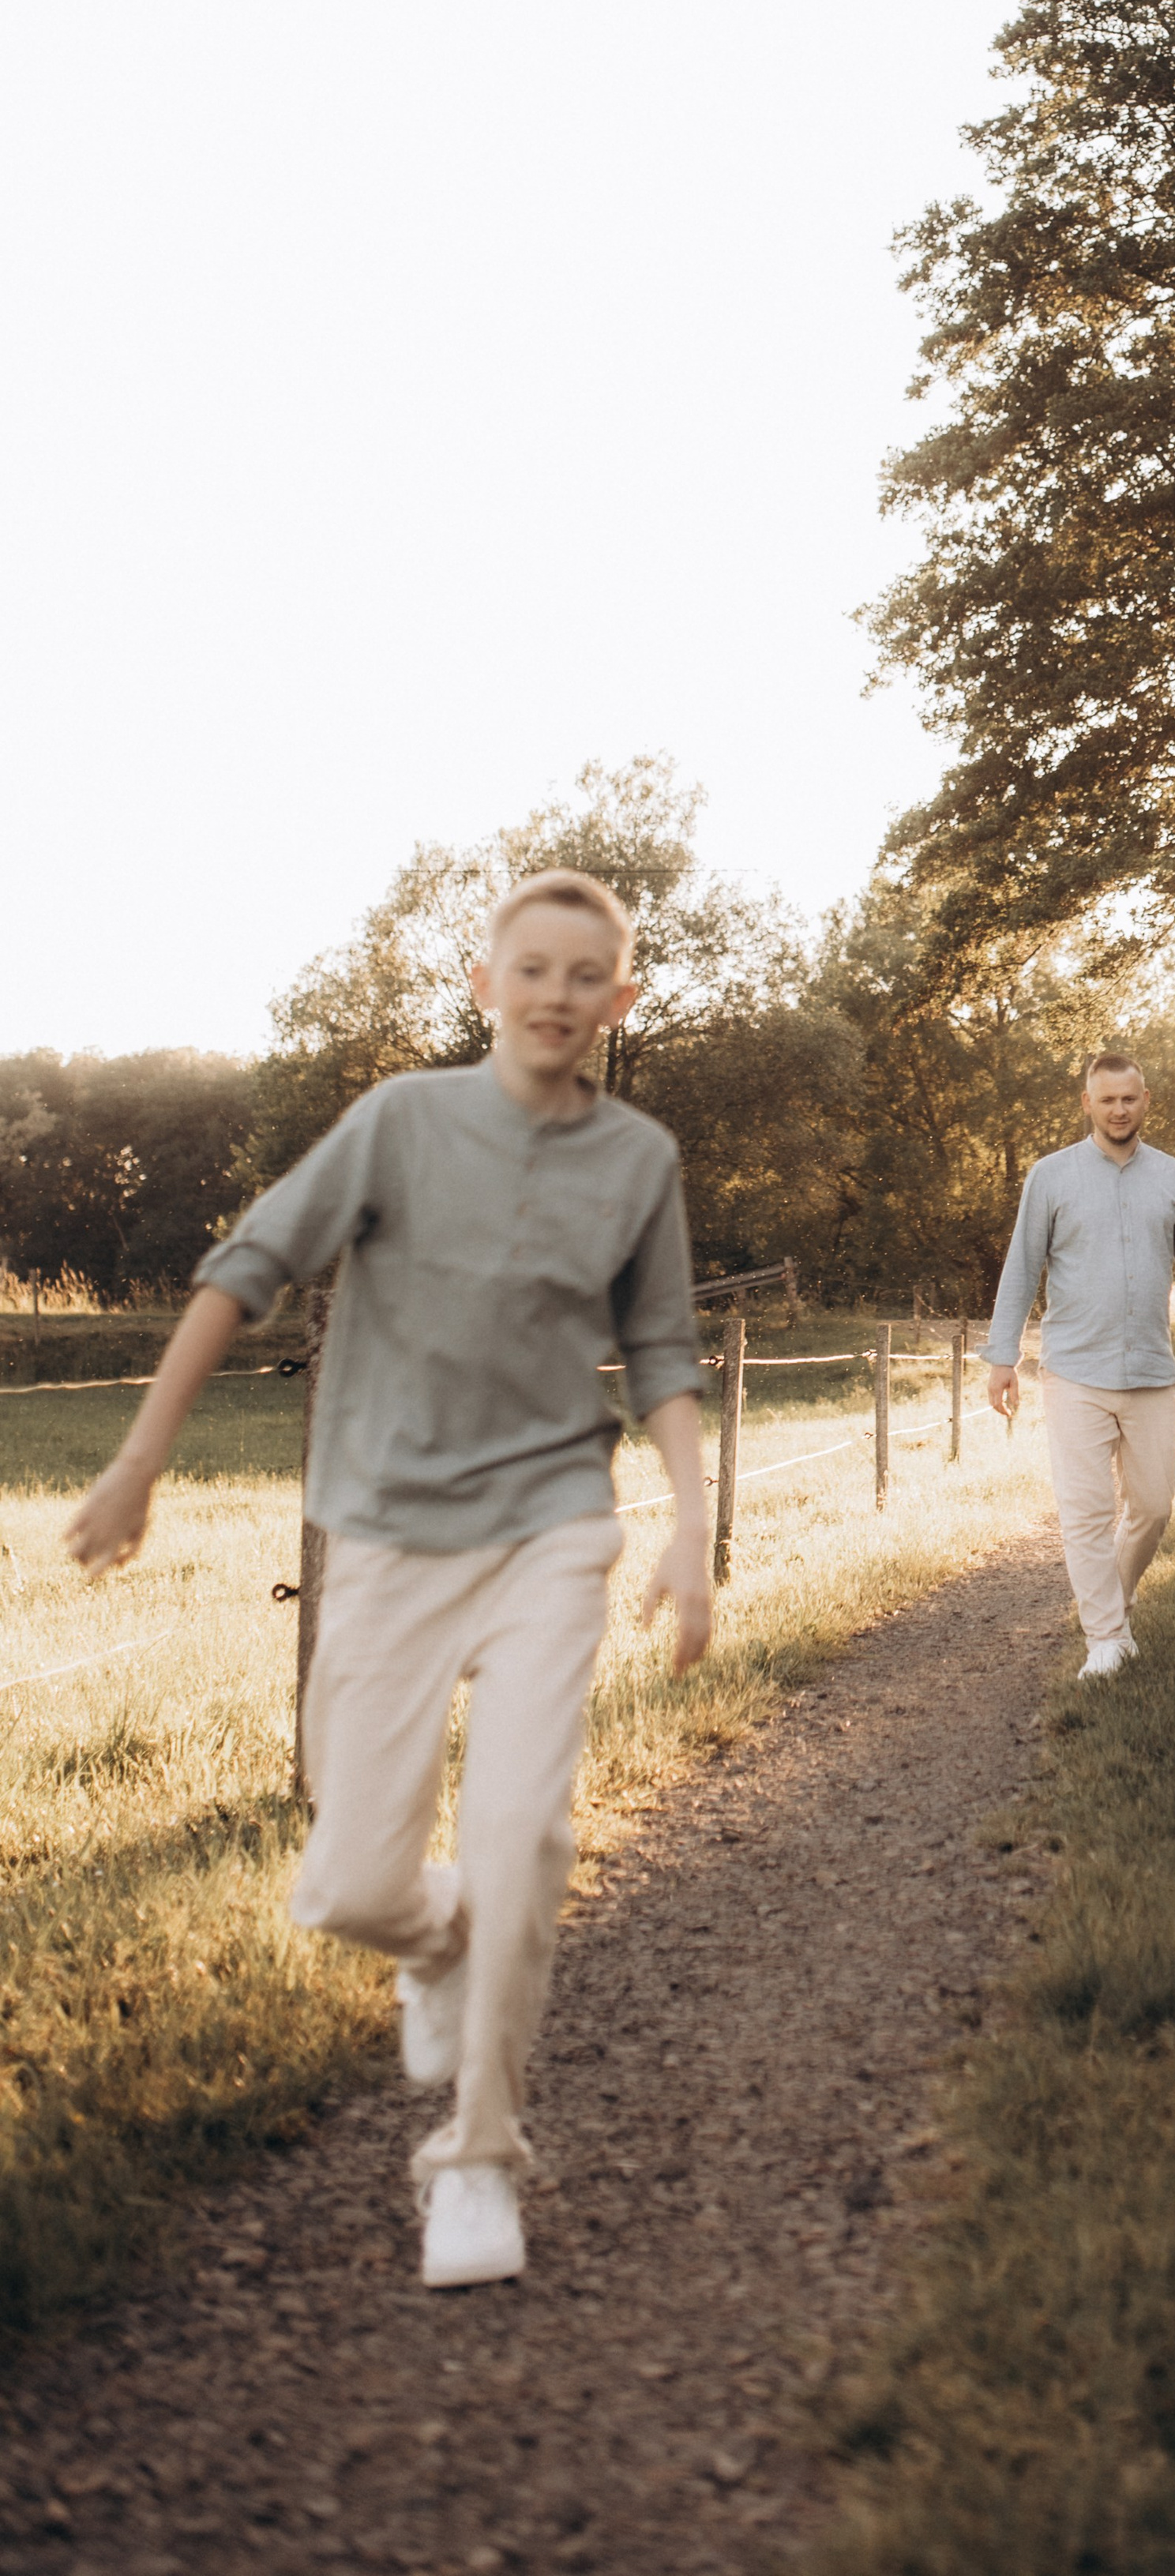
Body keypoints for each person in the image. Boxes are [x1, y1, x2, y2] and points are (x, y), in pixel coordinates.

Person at [65, 870, 712, 2292]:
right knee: (350, 1883)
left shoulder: (639, 1160)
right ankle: (430, 1942)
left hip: (550, 1522)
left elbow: (662, 1353)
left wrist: (688, 1524)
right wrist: (138, 1463)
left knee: (527, 1835)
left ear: (622, 997)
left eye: (583, 973)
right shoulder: (400, 1124)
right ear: (485, 982)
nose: (554, 994)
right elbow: (246, 1270)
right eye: (528, 968)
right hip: (385, 1531)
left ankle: (478, 2155)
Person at [985, 1051, 1175, 1679]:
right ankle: (1107, 1638)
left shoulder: (1171, 1179)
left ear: (1146, 1102)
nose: (1119, 1110)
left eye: (1129, 1099)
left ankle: (1113, 1597)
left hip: (1149, 1371)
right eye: (1107, 1099)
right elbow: (1020, 1269)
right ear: (1087, 1104)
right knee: (1085, 1509)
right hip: (1072, 1372)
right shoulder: (1050, 1177)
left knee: (1155, 1502)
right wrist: (1002, 1357)